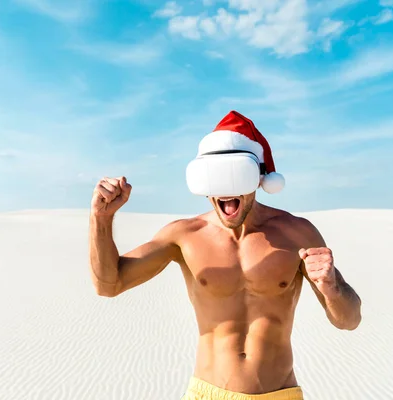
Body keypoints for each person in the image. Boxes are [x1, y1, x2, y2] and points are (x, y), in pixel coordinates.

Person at [89, 111, 362, 400]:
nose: (226, 188)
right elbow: (108, 285)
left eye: (236, 176)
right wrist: (101, 220)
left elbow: (349, 320)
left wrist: (332, 289)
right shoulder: (184, 235)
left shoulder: (298, 234)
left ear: (258, 179)